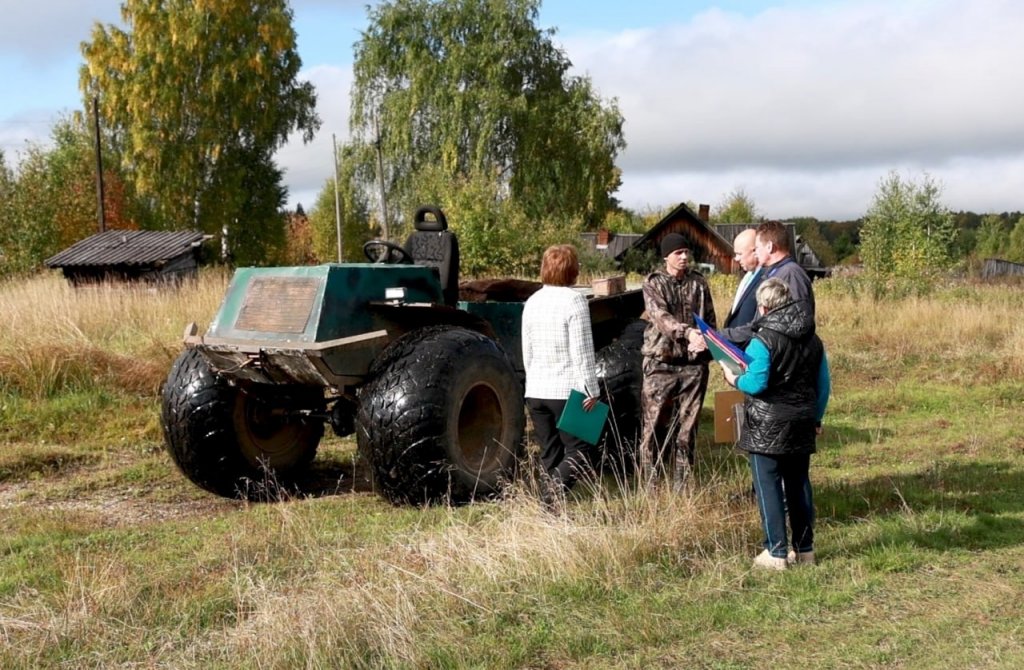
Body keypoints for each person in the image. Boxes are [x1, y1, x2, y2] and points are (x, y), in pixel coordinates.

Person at [721, 278, 831, 570]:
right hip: (802, 422)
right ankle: (805, 550)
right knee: (798, 484)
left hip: (766, 426)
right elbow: (823, 385)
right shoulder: (813, 339)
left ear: (763, 306)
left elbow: (756, 383)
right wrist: (816, 418)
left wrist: (734, 379)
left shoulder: (763, 341)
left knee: (768, 485)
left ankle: (775, 552)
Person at [522, 244, 601, 496]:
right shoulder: (575, 300)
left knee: (550, 452)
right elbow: (583, 350)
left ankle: (551, 514)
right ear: (573, 271)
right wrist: (591, 389)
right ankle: (550, 494)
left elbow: (527, 349)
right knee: (582, 451)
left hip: (536, 389)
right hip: (567, 390)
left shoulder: (531, 301)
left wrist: (531, 381)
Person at [639, 233, 716, 488]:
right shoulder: (653, 283)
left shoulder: (698, 283)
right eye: (677, 253)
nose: (683, 257)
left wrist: (708, 343)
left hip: (693, 366)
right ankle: (651, 488)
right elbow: (660, 316)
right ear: (666, 257)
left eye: (686, 252)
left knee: (688, 430)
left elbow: (710, 320)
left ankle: (682, 488)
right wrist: (686, 332)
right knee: (652, 430)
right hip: (661, 363)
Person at [723, 221, 814, 348]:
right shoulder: (775, 272)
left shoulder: (791, 274)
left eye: (757, 248)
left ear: (770, 247)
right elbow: (761, 324)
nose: (756, 252)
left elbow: (796, 326)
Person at [720, 228, 762, 343]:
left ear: (755, 251)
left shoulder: (766, 279)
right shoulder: (748, 275)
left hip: (749, 349)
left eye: (739, 254)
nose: (736, 258)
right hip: (735, 347)